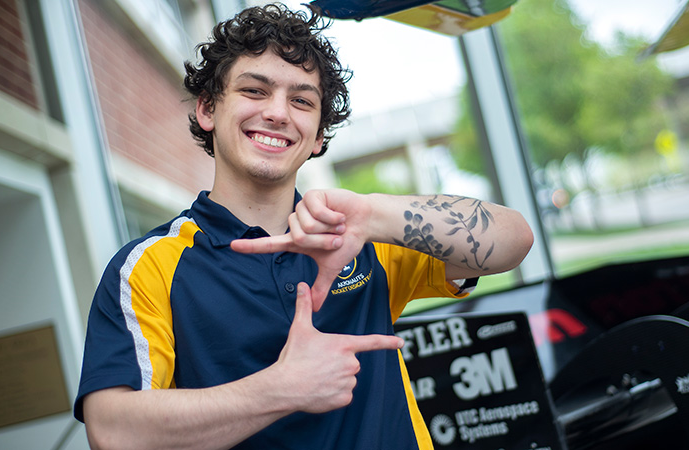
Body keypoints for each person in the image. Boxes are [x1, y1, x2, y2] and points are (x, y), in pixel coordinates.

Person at [73, 4, 533, 450]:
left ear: (317, 137)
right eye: (254, 91)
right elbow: (113, 433)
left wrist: (373, 215)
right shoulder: (150, 266)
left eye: (301, 100)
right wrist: (281, 389)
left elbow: (513, 241)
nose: (277, 112)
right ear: (208, 109)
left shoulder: (360, 236)